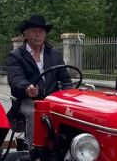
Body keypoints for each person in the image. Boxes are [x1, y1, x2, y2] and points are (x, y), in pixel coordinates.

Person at [6, 14, 71, 144]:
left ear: (45, 34)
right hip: (27, 100)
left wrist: (70, 95)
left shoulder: (55, 55)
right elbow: (15, 79)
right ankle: (34, 151)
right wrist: (27, 88)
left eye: (41, 31)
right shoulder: (16, 56)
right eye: (34, 31)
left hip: (52, 99)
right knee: (33, 112)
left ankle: (73, 149)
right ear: (25, 34)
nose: (38, 35)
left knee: (73, 112)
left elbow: (65, 80)